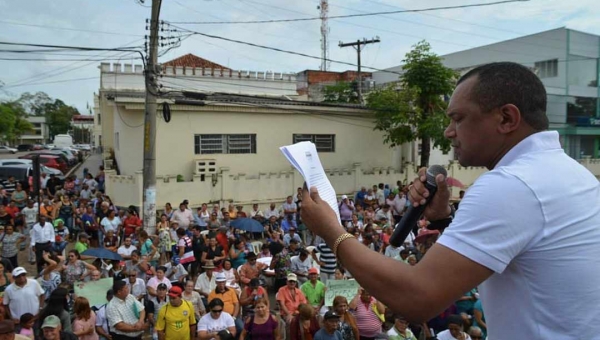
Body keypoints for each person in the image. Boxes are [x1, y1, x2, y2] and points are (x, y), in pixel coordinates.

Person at [299, 62, 600, 340]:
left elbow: (417, 299)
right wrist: (443, 219)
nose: (449, 132)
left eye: (458, 118)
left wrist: (331, 231)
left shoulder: (510, 185)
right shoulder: (572, 173)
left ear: (507, 118)